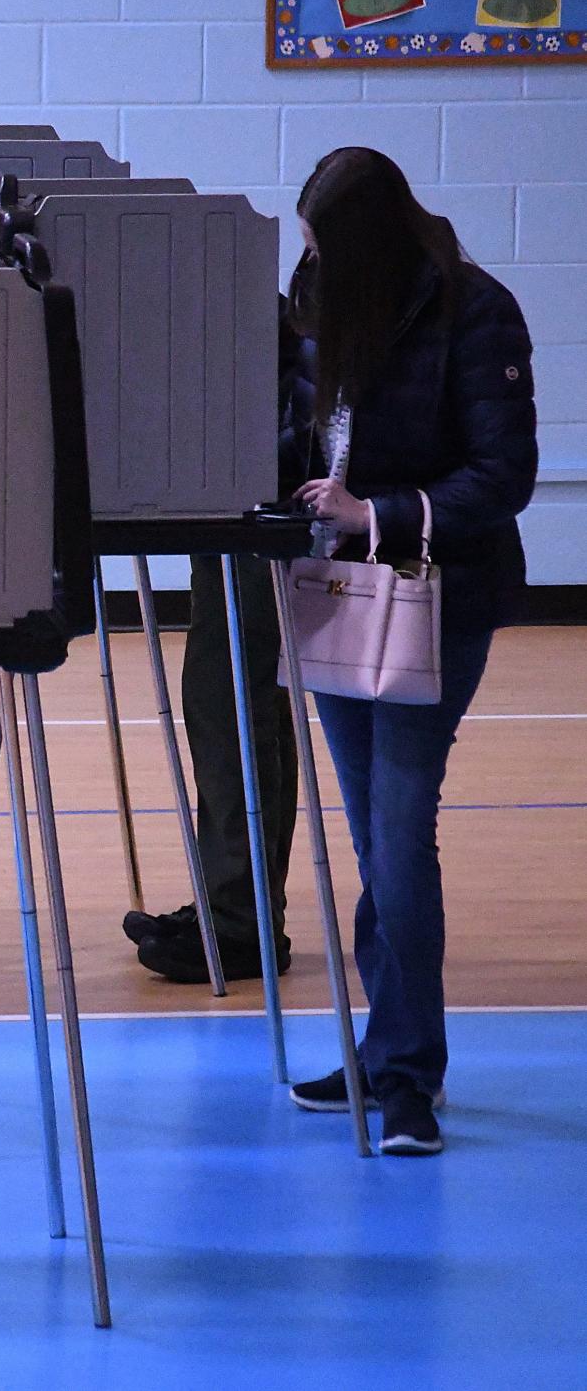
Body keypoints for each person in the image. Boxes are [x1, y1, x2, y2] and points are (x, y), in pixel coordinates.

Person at [281, 148, 536, 1157]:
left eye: (323, 250)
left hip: (438, 595)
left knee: (399, 830)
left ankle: (408, 1079)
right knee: (374, 840)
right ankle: (388, 1046)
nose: (310, 271)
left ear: (369, 244)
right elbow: (307, 426)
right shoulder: (324, 296)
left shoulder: (476, 312)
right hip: (342, 593)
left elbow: (503, 475)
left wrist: (375, 510)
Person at [122, 303, 303, 983]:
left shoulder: (312, 300)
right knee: (234, 693)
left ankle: (241, 922)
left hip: (254, 493)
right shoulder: (303, 293)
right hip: (232, 486)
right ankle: (237, 907)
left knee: (233, 698)